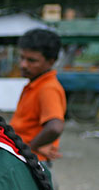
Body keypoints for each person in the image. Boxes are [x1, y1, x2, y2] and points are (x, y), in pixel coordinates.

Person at [10, 29, 66, 163]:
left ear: (51, 62)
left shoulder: (48, 88)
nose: (23, 65)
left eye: (32, 60)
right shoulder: (35, 84)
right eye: (22, 57)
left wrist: (31, 147)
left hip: (32, 160)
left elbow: (55, 126)